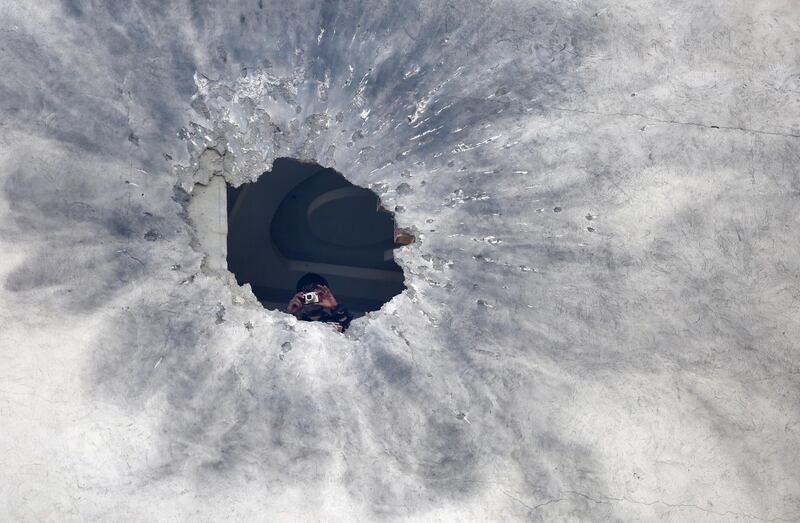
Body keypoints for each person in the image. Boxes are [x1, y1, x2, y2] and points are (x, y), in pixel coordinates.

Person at [287, 273, 353, 332]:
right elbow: (282, 336)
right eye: (308, 296)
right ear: (299, 296)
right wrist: (290, 314)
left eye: (316, 295)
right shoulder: (294, 322)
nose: (312, 299)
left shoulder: (336, 321)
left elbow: (351, 332)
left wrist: (335, 307)